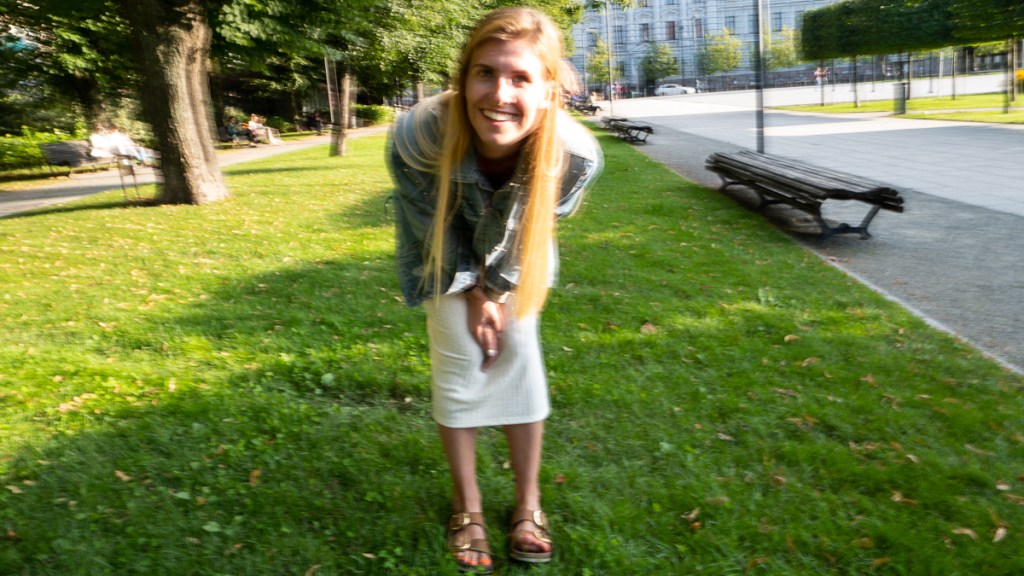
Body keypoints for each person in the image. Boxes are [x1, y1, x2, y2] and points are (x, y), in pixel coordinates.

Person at [387, 7, 603, 573]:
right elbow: (428, 225)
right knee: (460, 354)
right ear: (463, 79)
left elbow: (527, 229)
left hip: (520, 247)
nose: (499, 94)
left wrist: (499, 293)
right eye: (485, 72)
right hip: (442, 242)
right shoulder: (417, 135)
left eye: (521, 78)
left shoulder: (575, 156)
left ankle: (528, 504)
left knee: (518, 348)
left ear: (550, 91)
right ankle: (469, 507)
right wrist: (472, 293)